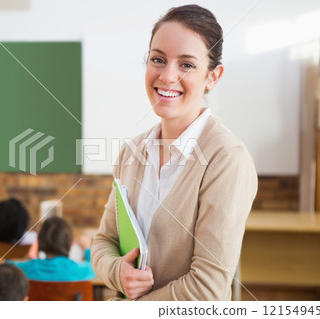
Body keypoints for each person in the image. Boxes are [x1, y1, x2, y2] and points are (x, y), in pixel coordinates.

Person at [91, 5, 258, 301]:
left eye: (187, 65)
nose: (167, 76)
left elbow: (206, 290)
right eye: (158, 59)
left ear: (213, 77)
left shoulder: (227, 159)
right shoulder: (132, 152)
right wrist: (119, 272)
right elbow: (104, 241)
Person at [9, 217, 95, 281]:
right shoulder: (80, 270)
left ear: (40, 241)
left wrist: (34, 245)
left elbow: (8, 264)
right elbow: (97, 268)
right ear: (71, 244)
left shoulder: (29, 267)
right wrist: (87, 249)